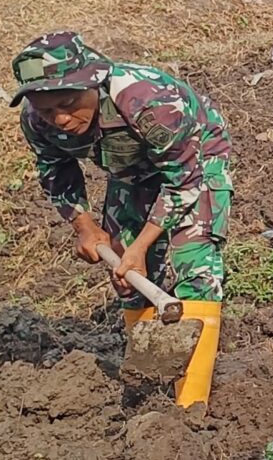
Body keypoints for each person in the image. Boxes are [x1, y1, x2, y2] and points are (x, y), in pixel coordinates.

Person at [12, 30, 232, 408]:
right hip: (129, 169)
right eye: (48, 111)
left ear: (92, 83)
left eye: (69, 103)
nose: (61, 119)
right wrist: (84, 225)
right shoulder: (37, 120)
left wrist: (142, 246)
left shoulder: (149, 101)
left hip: (194, 160)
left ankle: (190, 407)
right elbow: (54, 168)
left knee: (194, 265)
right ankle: (151, 385)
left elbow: (183, 181)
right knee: (128, 278)